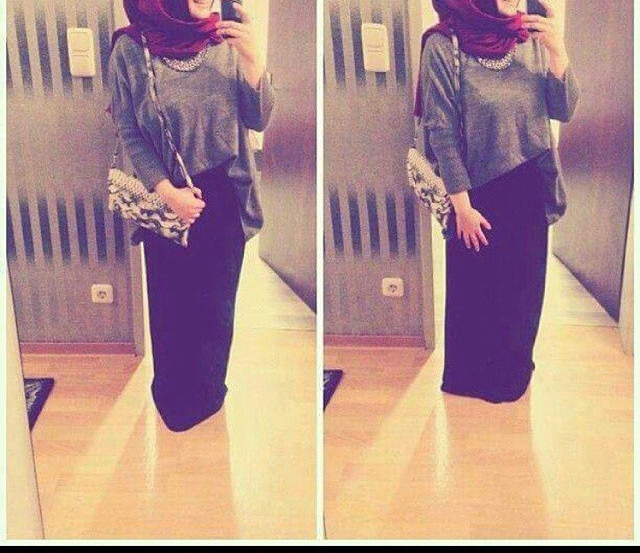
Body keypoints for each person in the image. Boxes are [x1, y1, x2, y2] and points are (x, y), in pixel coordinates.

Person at [108, 0, 275, 431]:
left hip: (225, 190)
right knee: (171, 304)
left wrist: (254, 60)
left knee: (216, 307)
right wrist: (167, 192)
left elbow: (258, 120)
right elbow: (129, 130)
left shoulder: (225, 40)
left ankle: (209, 392)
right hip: (166, 195)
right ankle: (172, 397)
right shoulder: (131, 48)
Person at [416, 0, 579, 403]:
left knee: (523, 290)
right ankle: (470, 378)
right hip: (476, 192)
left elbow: (563, 109)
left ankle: (514, 372)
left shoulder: (531, 37)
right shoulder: (444, 44)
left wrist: (558, 52)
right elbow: (441, 131)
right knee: (476, 291)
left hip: (529, 181)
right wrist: (462, 206)